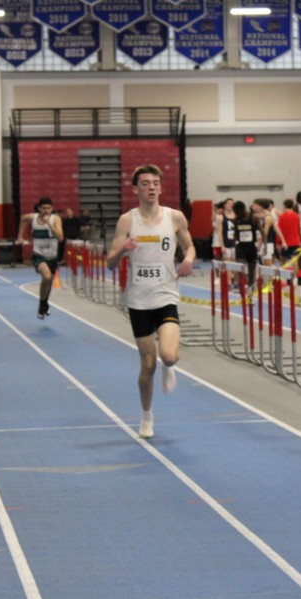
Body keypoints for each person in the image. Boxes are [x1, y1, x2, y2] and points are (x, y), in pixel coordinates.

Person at [105, 164, 195, 439]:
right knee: (147, 365)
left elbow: (190, 245)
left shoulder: (175, 217)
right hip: (139, 301)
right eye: (145, 183)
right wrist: (122, 250)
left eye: (155, 182)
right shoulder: (127, 221)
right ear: (136, 189)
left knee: (169, 356)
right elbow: (110, 264)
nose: (152, 187)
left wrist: (189, 259)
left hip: (166, 296)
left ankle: (170, 366)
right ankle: (146, 416)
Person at [17, 197, 64, 319]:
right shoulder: (33, 218)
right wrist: (20, 236)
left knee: (49, 282)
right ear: (39, 208)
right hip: (38, 255)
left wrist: (50, 224)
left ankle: (44, 303)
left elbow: (60, 237)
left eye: (48, 208)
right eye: (43, 208)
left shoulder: (55, 219)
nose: (46, 210)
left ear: (52, 209)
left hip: (52, 257)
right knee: (46, 276)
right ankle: (42, 304)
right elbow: (23, 219)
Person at [232, 200, 258, 287]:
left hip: (251, 247)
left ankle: (251, 288)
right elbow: (235, 234)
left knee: (251, 271)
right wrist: (235, 245)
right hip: (241, 247)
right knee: (240, 269)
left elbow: (262, 232)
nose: (237, 214)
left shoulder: (253, 217)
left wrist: (264, 245)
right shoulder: (236, 219)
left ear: (243, 209)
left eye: (238, 212)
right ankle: (241, 288)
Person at [276, 198, 301, 264]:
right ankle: (296, 271)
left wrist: (278, 241)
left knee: (282, 259)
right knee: (294, 260)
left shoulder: (282, 216)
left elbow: (279, 230)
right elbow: (299, 229)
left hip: (286, 242)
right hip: (295, 241)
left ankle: (283, 271)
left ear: (284, 206)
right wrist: (299, 240)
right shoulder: (297, 216)